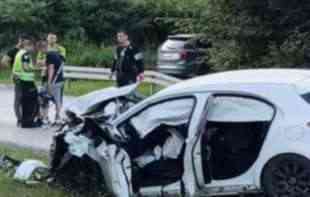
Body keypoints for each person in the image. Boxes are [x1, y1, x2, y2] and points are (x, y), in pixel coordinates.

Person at [12, 36, 40, 128]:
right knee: (30, 103)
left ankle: (22, 121)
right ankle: (28, 122)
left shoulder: (19, 53)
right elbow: (26, 67)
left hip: (19, 80)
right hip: (26, 81)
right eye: (32, 47)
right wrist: (37, 69)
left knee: (22, 101)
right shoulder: (26, 54)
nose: (33, 49)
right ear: (28, 46)